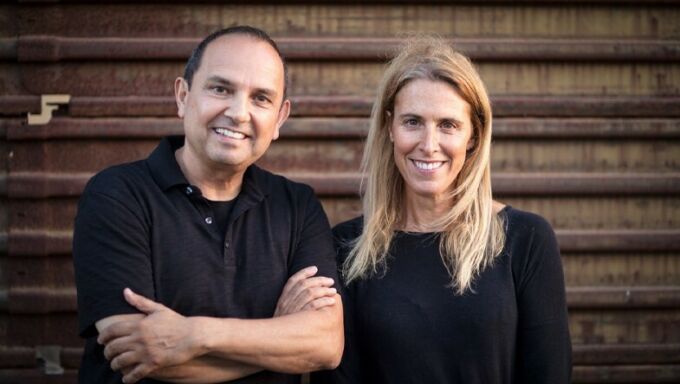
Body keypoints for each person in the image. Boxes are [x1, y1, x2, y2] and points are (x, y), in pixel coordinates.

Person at [73, 26, 343, 384]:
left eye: (261, 98)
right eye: (221, 89)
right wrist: (278, 338)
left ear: (279, 118)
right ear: (183, 96)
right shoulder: (117, 195)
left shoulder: (297, 206)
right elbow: (137, 353)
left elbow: (325, 344)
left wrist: (195, 335)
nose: (238, 113)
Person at [312, 38, 571, 383]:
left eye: (448, 125)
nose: (429, 145)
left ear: (474, 136)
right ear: (390, 127)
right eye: (413, 122)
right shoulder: (346, 248)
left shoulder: (526, 239)